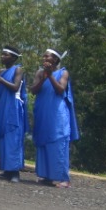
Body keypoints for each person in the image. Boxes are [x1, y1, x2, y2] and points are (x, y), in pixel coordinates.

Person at [30, 49, 79, 188]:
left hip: (57, 113)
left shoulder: (63, 73)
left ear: (55, 60)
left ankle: (63, 178)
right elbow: (33, 90)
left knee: (57, 143)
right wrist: (44, 78)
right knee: (43, 142)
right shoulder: (40, 73)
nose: (44, 57)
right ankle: (46, 176)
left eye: (47, 55)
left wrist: (50, 76)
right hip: (43, 112)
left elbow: (60, 90)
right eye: (43, 55)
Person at [0, 46, 27, 182]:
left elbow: (14, 87)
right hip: (3, 105)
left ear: (14, 57)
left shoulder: (18, 69)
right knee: (3, 136)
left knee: (13, 137)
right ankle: (6, 169)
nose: (2, 56)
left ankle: (15, 171)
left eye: (6, 55)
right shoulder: (3, 72)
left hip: (13, 107)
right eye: (2, 54)